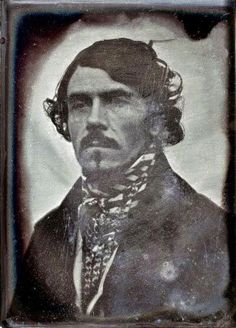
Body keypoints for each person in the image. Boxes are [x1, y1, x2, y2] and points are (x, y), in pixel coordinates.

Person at [9, 38, 230, 323]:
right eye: (80, 104)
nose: (94, 120)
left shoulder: (212, 233)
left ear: (155, 118)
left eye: (116, 100)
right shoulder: (47, 234)